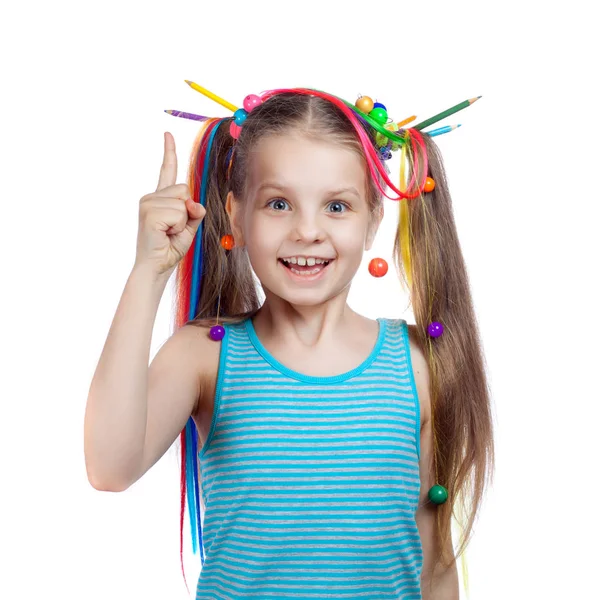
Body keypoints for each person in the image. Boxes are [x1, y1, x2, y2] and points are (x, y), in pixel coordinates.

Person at [84, 86, 494, 600]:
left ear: (373, 219)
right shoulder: (206, 354)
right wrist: (148, 272)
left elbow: (434, 568)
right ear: (236, 216)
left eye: (337, 207)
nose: (307, 231)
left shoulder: (417, 364)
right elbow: (108, 467)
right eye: (279, 203)